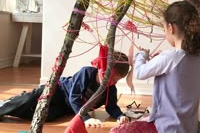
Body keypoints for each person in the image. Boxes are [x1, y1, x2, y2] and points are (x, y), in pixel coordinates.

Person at [110, 0, 200, 133]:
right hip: (188, 127)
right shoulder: (197, 58)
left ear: (171, 28)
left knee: (116, 131)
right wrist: (161, 58)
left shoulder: (169, 57)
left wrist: (141, 56)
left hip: (167, 128)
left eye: (164, 29)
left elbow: (139, 72)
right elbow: (175, 69)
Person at [0, 50, 130, 128]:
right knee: (30, 99)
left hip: (67, 107)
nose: (111, 82)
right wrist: (85, 118)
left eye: (115, 81)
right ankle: (5, 106)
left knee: (47, 116)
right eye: (110, 77)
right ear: (101, 68)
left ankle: (12, 111)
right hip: (59, 90)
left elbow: (111, 106)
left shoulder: (110, 89)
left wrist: (120, 115)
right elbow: (74, 97)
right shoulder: (87, 73)